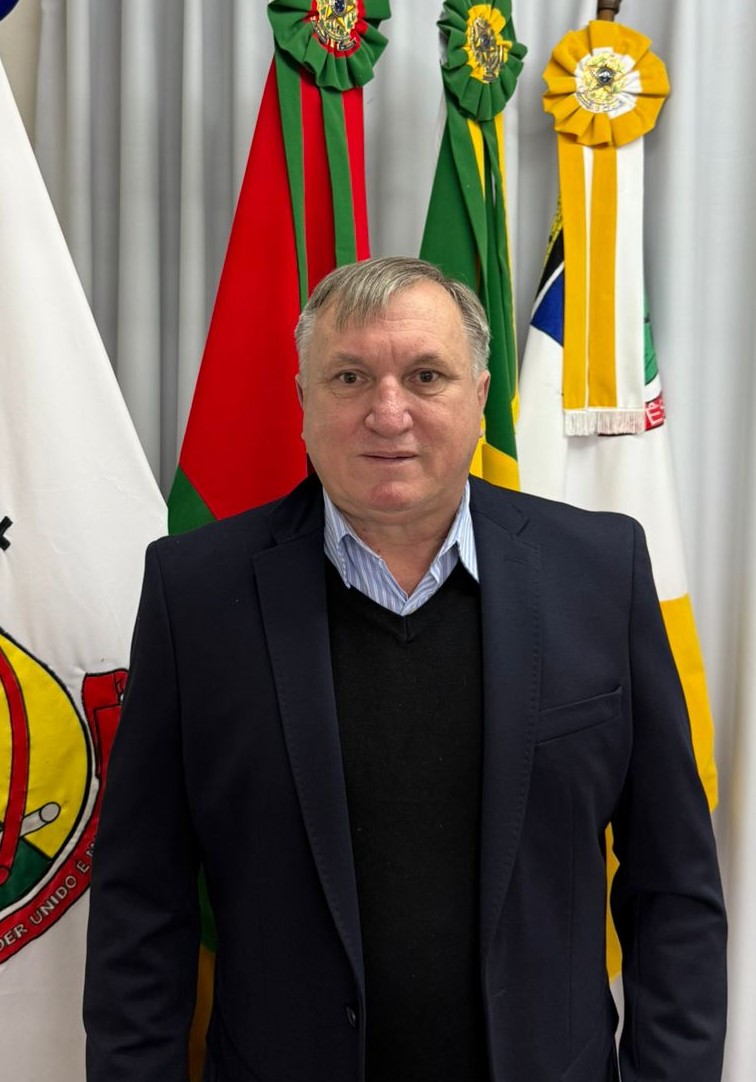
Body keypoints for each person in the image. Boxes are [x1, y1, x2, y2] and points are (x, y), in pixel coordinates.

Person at [84, 257, 727, 1082]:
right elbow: (142, 901)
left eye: (426, 376)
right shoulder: (196, 594)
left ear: (480, 394)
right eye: (350, 377)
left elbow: (673, 885)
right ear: (304, 400)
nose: (388, 413)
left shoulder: (600, 573)